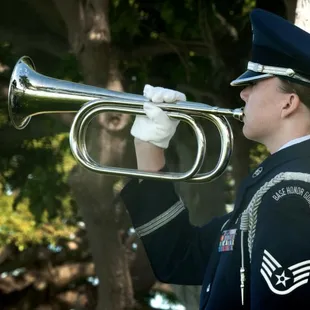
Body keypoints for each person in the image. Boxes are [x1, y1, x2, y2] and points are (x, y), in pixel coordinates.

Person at [120, 8, 310, 310]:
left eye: (254, 83)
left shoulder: (291, 191)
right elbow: (180, 258)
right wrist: (150, 147)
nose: (243, 95)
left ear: (289, 102)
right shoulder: (274, 186)